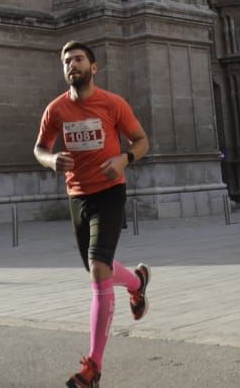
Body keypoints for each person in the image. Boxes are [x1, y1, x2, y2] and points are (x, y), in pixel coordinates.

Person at [34, 42, 152, 388]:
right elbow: (40, 148)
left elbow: (141, 140)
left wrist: (124, 159)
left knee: (98, 270)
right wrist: (51, 160)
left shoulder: (113, 104)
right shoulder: (55, 109)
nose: (73, 65)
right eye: (67, 61)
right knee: (97, 270)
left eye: (79, 59)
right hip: (77, 195)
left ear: (94, 67)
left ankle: (93, 368)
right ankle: (137, 282)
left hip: (110, 192)